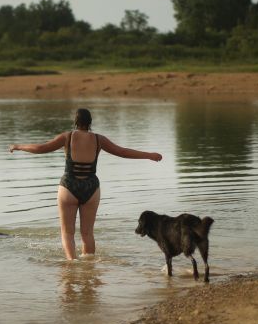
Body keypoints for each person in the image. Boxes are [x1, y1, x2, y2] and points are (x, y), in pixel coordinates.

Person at [9, 108, 162, 260]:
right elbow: (122, 152)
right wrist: (149, 155)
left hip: (69, 186)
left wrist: (18, 146)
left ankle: (72, 263)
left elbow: (41, 148)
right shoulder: (99, 139)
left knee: (67, 233)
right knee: (87, 233)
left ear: (75, 122)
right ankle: (89, 267)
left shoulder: (67, 137)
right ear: (90, 123)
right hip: (91, 188)